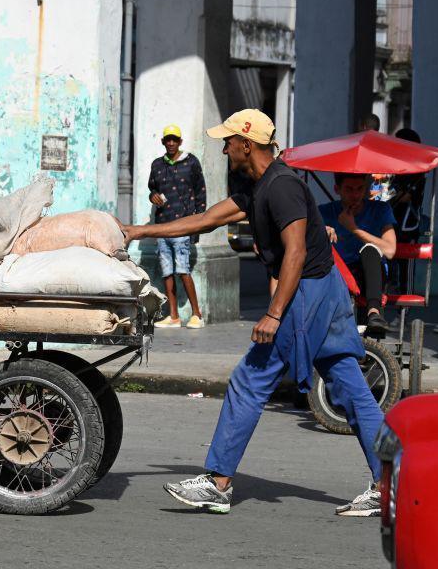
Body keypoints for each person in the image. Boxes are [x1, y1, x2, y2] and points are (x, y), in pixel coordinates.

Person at [123, 109, 385, 517]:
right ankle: (390, 485)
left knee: (250, 379)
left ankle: (218, 483)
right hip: (325, 290)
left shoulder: (281, 187)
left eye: (228, 141)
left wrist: (275, 314)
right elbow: (206, 220)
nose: (224, 147)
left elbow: (295, 252)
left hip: (308, 294)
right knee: (350, 386)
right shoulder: (257, 187)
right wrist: (139, 231)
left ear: (247, 144)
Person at [318, 173, 397, 335]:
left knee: (369, 249)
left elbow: (389, 250)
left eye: (360, 189)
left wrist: (353, 228)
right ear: (337, 189)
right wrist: (320, 232)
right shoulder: (325, 212)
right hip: (339, 276)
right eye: (349, 189)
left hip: (373, 275)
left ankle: (374, 313)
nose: (355, 195)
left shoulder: (380, 209)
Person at [147, 124, 206, 329]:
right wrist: (152, 196)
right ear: (163, 142)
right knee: (167, 272)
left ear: (180, 141)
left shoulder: (191, 162)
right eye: (167, 139)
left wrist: (198, 225)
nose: (171, 143)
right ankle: (173, 316)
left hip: (183, 225)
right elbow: (152, 188)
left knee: (183, 270)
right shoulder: (157, 165)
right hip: (163, 226)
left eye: (174, 139)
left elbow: (200, 193)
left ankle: (197, 314)